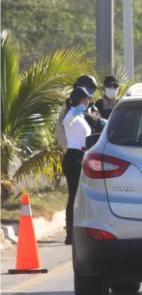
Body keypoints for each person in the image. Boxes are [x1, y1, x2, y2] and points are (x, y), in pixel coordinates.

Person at [61, 86, 93, 245]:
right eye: (85, 98)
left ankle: (78, 231)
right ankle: (70, 233)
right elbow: (66, 122)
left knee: (80, 196)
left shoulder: (81, 115)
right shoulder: (71, 113)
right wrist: (74, 112)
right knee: (74, 195)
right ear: (79, 99)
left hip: (82, 155)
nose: (87, 101)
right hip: (73, 157)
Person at [55, 75, 105, 149]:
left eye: (92, 89)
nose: (89, 91)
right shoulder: (68, 107)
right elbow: (60, 133)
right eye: (87, 88)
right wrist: (74, 148)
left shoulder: (93, 107)